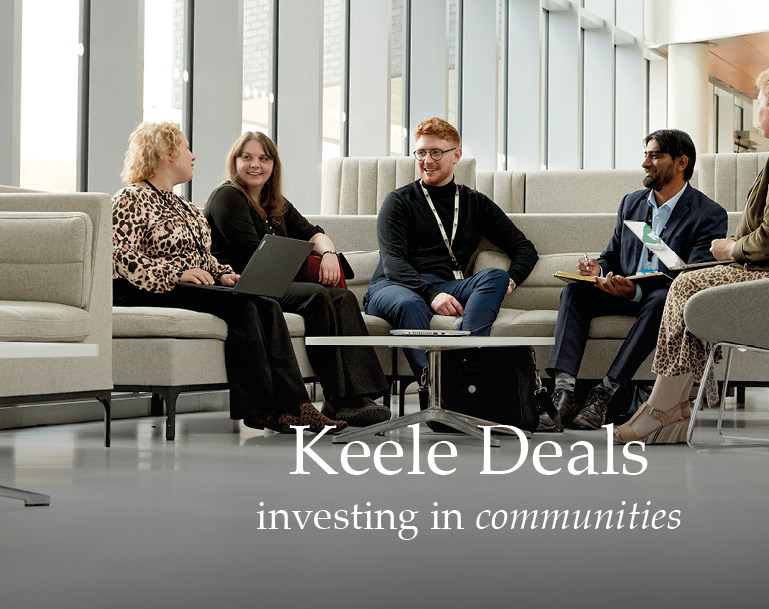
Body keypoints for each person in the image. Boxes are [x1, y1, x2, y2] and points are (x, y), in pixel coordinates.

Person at [613, 61, 769, 445]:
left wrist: (733, 248)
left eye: (760, 100)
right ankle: (675, 406)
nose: (757, 109)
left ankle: (661, 409)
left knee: (685, 287)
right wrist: (738, 248)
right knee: (692, 284)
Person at [112, 121, 346, 434]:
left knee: (263, 303)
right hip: (144, 288)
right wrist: (175, 272)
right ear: (167, 154)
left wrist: (223, 273)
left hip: (186, 286)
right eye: (186, 148)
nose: (192, 156)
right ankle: (264, 409)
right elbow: (120, 257)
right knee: (243, 307)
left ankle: (294, 407)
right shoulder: (130, 200)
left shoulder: (185, 207)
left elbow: (204, 258)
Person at [542, 129, 727, 431]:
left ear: (681, 163)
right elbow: (612, 255)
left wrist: (637, 292)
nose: (645, 163)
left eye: (655, 156)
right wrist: (598, 272)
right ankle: (563, 394)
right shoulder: (631, 203)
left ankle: (605, 392)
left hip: (659, 298)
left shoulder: (708, 214)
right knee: (574, 292)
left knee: (660, 299)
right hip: (620, 288)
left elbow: (691, 274)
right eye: (645, 155)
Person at [204, 132, 390, 427]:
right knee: (318, 295)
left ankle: (356, 398)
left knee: (342, 296)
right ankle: (338, 397)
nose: (256, 165)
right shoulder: (227, 197)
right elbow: (253, 256)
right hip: (248, 284)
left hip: (275, 281)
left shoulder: (274, 201)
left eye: (264, 159)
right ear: (234, 162)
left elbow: (313, 232)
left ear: (273, 165)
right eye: (247, 157)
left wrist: (328, 253)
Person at [364, 117, 538, 373]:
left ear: (456, 155)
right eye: (421, 153)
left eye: (436, 152)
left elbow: (524, 248)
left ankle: (466, 366)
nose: (427, 161)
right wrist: (432, 296)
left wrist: (511, 281)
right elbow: (394, 264)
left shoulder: (475, 203)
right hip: (393, 286)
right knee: (409, 303)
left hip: (447, 284)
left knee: (495, 277)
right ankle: (431, 385)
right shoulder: (398, 201)